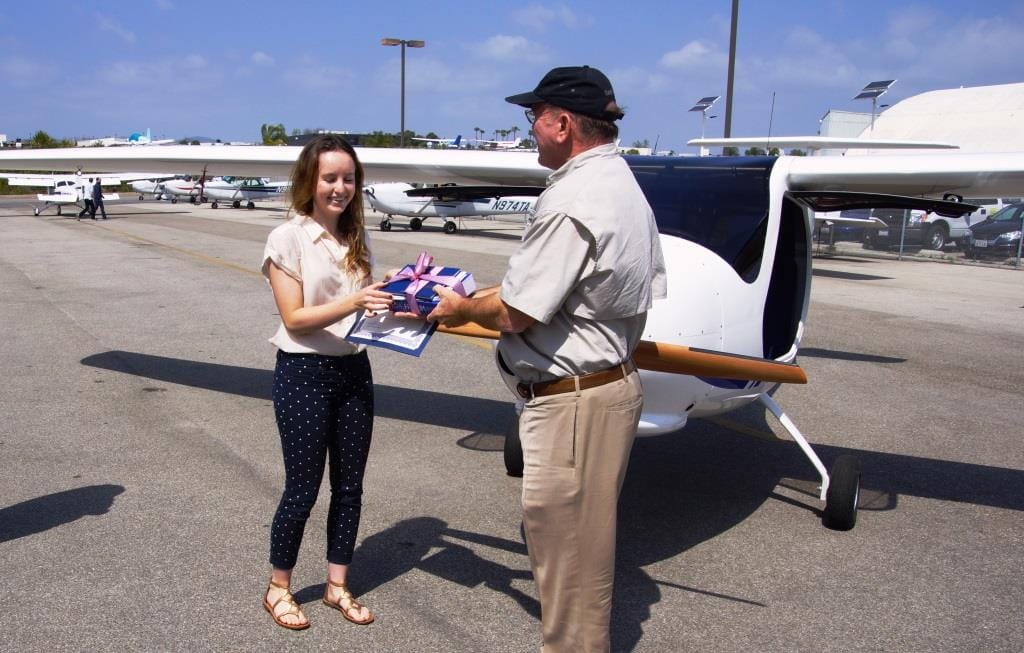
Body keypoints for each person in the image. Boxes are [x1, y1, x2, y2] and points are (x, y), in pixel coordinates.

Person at [427, 65, 667, 652]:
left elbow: (517, 312)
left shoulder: (572, 199)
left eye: (533, 116)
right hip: (600, 392)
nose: (529, 127)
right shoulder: (619, 182)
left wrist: (457, 306)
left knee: (570, 563)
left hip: (575, 407)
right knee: (573, 553)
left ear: (562, 124)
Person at [260, 134, 394, 630]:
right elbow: (295, 319)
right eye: (330, 178)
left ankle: (337, 585)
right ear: (309, 181)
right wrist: (356, 300)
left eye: (349, 179)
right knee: (302, 489)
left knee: (350, 488)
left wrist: (400, 297)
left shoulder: (357, 239)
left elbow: (365, 315)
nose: (341, 188)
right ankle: (279, 587)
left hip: (354, 370)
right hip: (304, 372)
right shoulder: (287, 238)